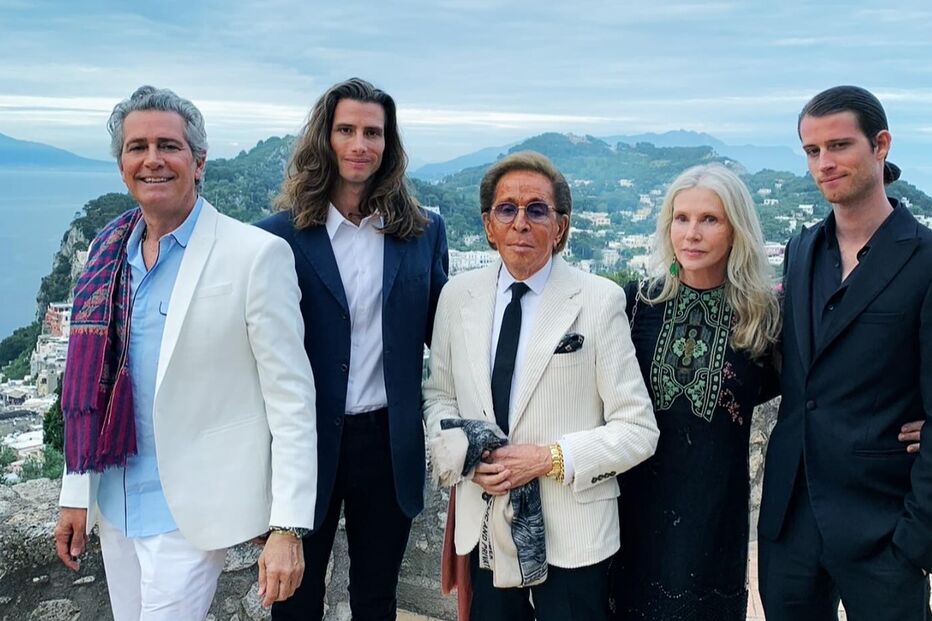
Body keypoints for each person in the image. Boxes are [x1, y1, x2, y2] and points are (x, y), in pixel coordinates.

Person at [53, 86, 318, 620]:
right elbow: (88, 388)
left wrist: (288, 525)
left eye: (168, 146)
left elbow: (291, 398)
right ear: (122, 167)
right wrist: (76, 492)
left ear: (198, 162)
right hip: (116, 502)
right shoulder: (106, 257)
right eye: (137, 147)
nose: (152, 159)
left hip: (191, 511)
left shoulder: (254, 255)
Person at [423, 150, 659, 621]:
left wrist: (549, 458)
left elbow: (638, 429)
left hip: (572, 532)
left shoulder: (598, 300)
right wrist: (469, 458)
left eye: (536, 209)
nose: (520, 223)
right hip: (485, 523)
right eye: (506, 209)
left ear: (561, 226)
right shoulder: (457, 296)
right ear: (488, 226)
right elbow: (439, 397)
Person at [257, 77, 448, 621]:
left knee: (376, 599)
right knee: (293, 602)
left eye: (373, 132)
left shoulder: (423, 232)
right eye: (346, 130)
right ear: (325, 138)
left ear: (389, 144)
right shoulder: (277, 238)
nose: (360, 144)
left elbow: (445, 332)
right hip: (306, 442)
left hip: (388, 442)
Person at [758, 85, 932, 620]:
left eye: (839, 146)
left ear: (880, 145)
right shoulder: (801, 249)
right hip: (790, 524)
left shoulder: (926, 259)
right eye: (812, 151)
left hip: (883, 528)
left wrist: (914, 540)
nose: (824, 164)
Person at [611, 164, 782, 619]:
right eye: (681, 218)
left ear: (736, 229)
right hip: (633, 513)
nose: (692, 233)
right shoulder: (635, 305)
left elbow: (820, 385)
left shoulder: (762, 319)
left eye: (710, 219)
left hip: (714, 519)